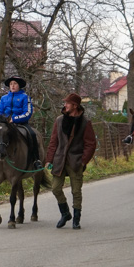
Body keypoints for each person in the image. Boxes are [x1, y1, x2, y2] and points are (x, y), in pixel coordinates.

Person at [44, 93, 97, 230]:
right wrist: (49, 159)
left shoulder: (85, 122)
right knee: (55, 188)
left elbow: (91, 144)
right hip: (59, 160)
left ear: (75, 105)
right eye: (65, 103)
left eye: (67, 103)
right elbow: (53, 142)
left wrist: (83, 161)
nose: (65, 105)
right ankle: (65, 213)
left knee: (76, 191)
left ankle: (76, 219)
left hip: (76, 161)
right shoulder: (59, 120)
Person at [0, 76, 42, 177]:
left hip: (20, 123)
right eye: (11, 84)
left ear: (19, 86)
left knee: (32, 134)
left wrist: (15, 119)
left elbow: (28, 112)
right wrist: (3, 119)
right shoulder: (4, 98)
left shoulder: (25, 97)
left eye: (15, 84)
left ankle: (36, 160)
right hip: (5, 124)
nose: (12, 86)